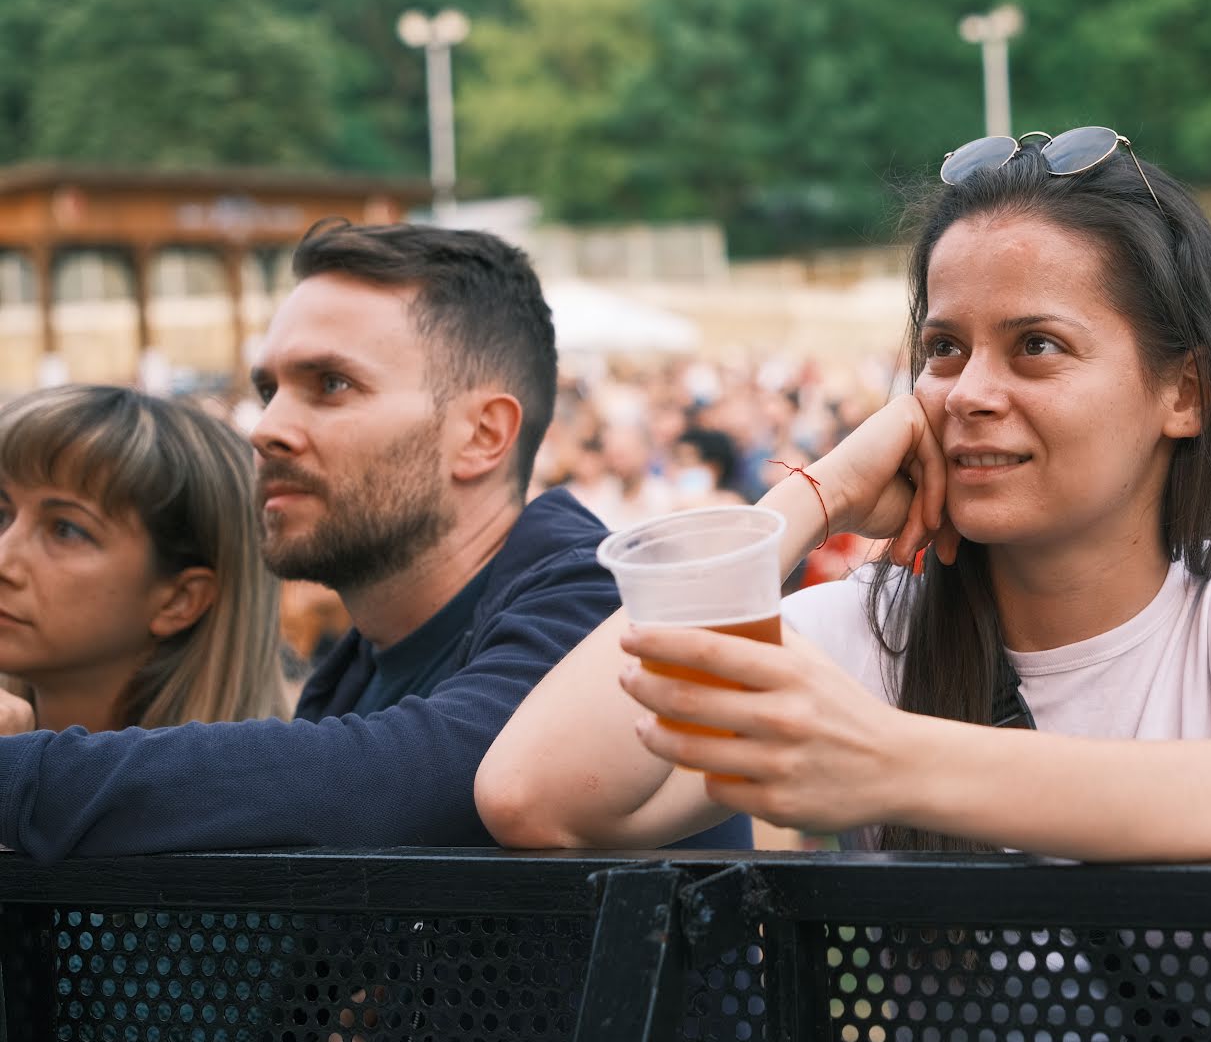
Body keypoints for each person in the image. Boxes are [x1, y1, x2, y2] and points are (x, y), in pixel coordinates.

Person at [478, 127, 1211, 858]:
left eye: (1036, 346)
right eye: (943, 348)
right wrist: (817, 494)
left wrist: (889, 763)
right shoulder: (874, 632)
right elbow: (537, 794)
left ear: (1186, 391)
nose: (967, 393)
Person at [0, 220, 749, 858]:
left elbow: (424, 777)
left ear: (483, 435)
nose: (266, 429)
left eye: (330, 385)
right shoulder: (357, 672)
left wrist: (21, 774)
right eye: (270, 390)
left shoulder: (598, 606)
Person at [0, 385, 286, 733]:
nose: (4, 559)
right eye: (2, 516)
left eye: (66, 530)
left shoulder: (240, 786)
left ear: (180, 600)